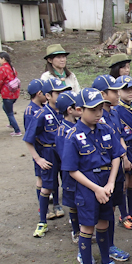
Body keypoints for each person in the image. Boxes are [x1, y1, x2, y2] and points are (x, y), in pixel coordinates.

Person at [62, 88, 127, 264]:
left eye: (100, 108)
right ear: (80, 110)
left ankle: (106, 261)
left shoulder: (106, 129)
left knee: (104, 223)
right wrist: (96, 188)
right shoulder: (73, 135)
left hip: (107, 183)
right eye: (93, 110)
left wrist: (109, 183)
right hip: (88, 186)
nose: (98, 113)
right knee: (87, 227)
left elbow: (116, 156)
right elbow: (72, 170)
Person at [23, 79, 71, 237]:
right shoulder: (40, 114)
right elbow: (28, 139)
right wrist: (38, 159)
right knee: (47, 186)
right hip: (48, 154)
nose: (62, 95)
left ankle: (73, 219)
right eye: (59, 93)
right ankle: (42, 221)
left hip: (64, 153)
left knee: (69, 184)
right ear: (48, 96)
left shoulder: (66, 112)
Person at [92, 74, 131, 262]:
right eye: (114, 91)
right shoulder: (97, 118)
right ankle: (102, 248)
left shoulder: (114, 112)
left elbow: (120, 136)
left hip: (116, 168)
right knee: (101, 214)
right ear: (102, 94)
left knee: (113, 208)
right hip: (103, 173)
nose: (118, 94)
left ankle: (111, 244)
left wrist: (124, 155)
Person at [114, 76, 132, 229]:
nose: (130, 92)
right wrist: (123, 157)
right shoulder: (117, 110)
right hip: (124, 148)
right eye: (125, 89)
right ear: (118, 91)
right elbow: (118, 134)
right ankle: (123, 215)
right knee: (123, 183)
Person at [54, 91, 81, 244]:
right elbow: (65, 156)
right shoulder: (62, 131)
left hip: (80, 171)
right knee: (73, 203)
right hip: (70, 173)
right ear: (70, 110)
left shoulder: (78, 126)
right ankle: (76, 231)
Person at [0, 51, 22, 136]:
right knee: (5, 107)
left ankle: (17, 130)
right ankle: (12, 123)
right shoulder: (12, 68)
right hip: (15, 93)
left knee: (10, 112)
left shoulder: (2, 69)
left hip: (7, 93)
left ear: (3, 59)